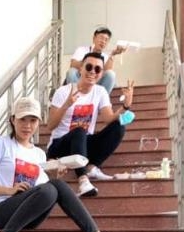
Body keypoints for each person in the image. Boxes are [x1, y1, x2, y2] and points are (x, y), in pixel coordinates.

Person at [0, 96, 118, 232]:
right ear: (13, 120)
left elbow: (42, 193)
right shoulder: (0, 144)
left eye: (33, 120)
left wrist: (54, 173)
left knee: (55, 185)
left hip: (27, 217)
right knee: (50, 188)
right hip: (1, 211)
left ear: (38, 123)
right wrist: (9, 190)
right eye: (22, 119)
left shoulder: (39, 154)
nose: (27, 126)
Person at [48, 52, 134, 194]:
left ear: (101, 74)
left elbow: (108, 118)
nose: (92, 72)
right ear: (81, 68)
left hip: (82, 145)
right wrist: (66, 105)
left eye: (97, 69)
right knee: (80, 130)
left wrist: (125, 106)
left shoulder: (100, 92)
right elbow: (50, 125)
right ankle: (83, 180)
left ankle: (91, 167)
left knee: (118, 127)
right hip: (60, 146)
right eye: (89, 67)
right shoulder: (63, 91)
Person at [65, 26, 127, 94]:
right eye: (101, 38)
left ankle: (101, 98)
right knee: (71, 72)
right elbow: (73, 64)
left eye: (106, 40)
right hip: (81, 81)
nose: (103, 41)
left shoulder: (106, 57)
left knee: (111, 74)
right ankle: (76, 96)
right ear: (94, 38)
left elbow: (108, 73)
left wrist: (113, 54)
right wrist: (90, 60)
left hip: (97, 83)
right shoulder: (82, 50)